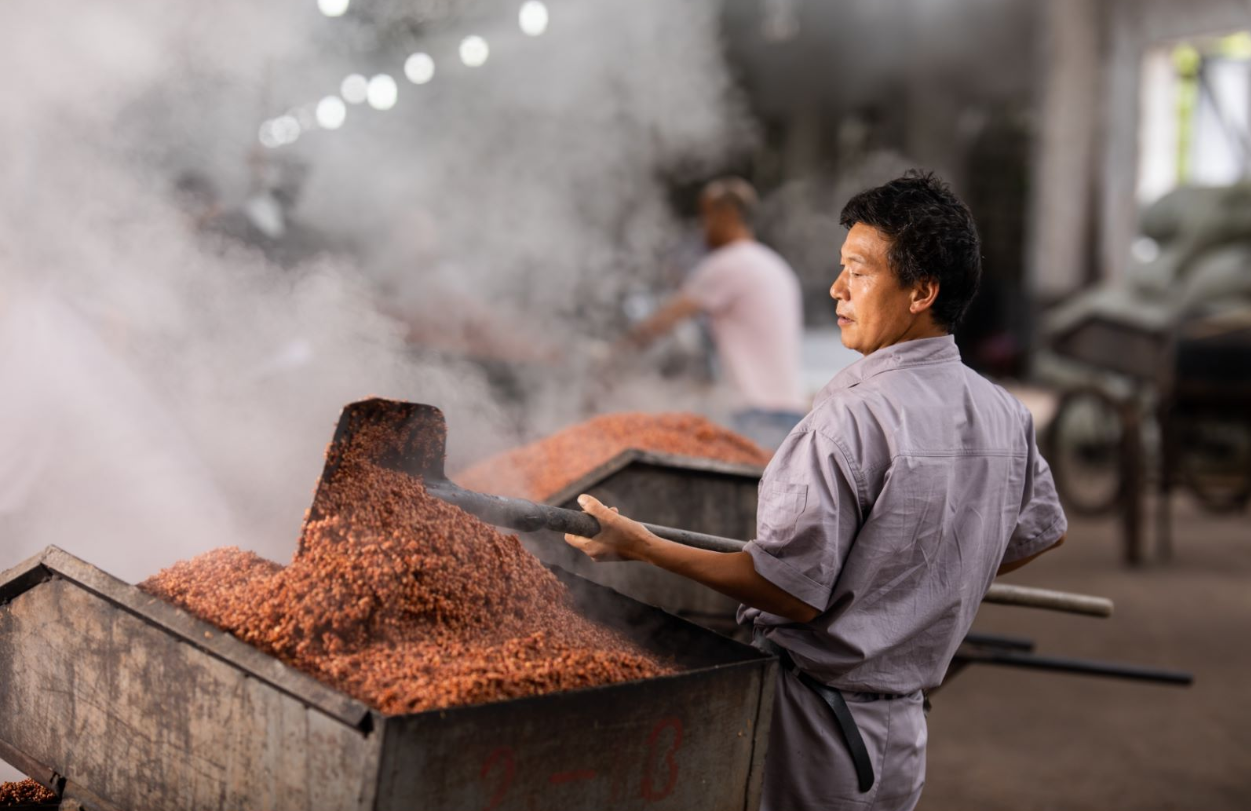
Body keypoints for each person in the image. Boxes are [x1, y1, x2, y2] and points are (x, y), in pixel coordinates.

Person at [565, 171, 1067, 811]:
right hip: (904, 731)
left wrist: (642, 545)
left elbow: (788, 593)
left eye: (858, 271)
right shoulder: (1004, 412)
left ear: (922, 291)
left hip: (814, 724)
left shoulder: (849, 417)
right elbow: (1038, 532)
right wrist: (930, 575)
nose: (836, 289)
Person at [621, 177, 806, 449]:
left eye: (705, 216)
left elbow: (659, 324)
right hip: (790, 412)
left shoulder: (725, 265)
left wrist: (610, 357)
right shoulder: (774, 264)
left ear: (727, 215)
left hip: (756, 415)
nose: (702, 227)